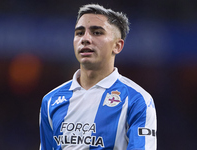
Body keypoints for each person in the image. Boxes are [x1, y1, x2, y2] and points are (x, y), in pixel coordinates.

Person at [39, 4, 157, 150]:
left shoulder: (137, 100)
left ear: (117, 46)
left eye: (97, 32)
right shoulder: (51, 101)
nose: (85, 39)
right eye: (79, 33)